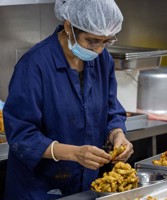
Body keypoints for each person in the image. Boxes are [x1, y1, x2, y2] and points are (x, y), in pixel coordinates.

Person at [3, 0, 134, 199]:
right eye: (92, 41)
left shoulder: (102, 60)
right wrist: (74, 153)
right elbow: (21, 135)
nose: (99, 49)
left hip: (85, 187)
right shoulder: (34, 65)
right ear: (68, 27)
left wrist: (117, 135)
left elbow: (110, 109)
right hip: (38, 190)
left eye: (106, 41)